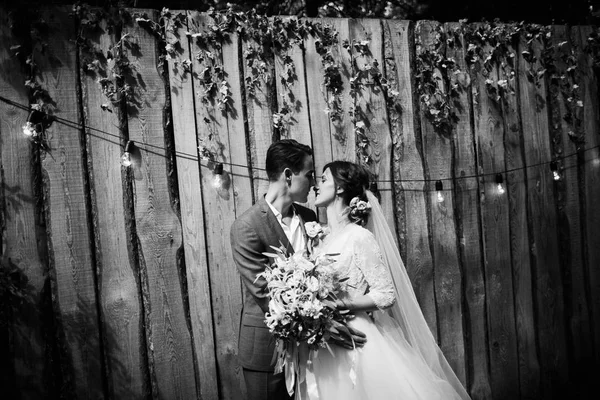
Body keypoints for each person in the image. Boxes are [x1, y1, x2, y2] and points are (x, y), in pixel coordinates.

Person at [305, 160, 471, 400]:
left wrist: (343, 303)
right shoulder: (321, 238)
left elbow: (385, 294)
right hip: (326, 339)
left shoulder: (359, 237)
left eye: (323, 180)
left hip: (354, 335)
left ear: (340, 188)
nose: (316, 186)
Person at [230, 140, 366, 400]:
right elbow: (266, 295)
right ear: (288, 176)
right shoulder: (246, 227)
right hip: (267, 352)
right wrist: (329, 328)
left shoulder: (310, 218)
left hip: (315, 354)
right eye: (309, 174)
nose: (314, 182)